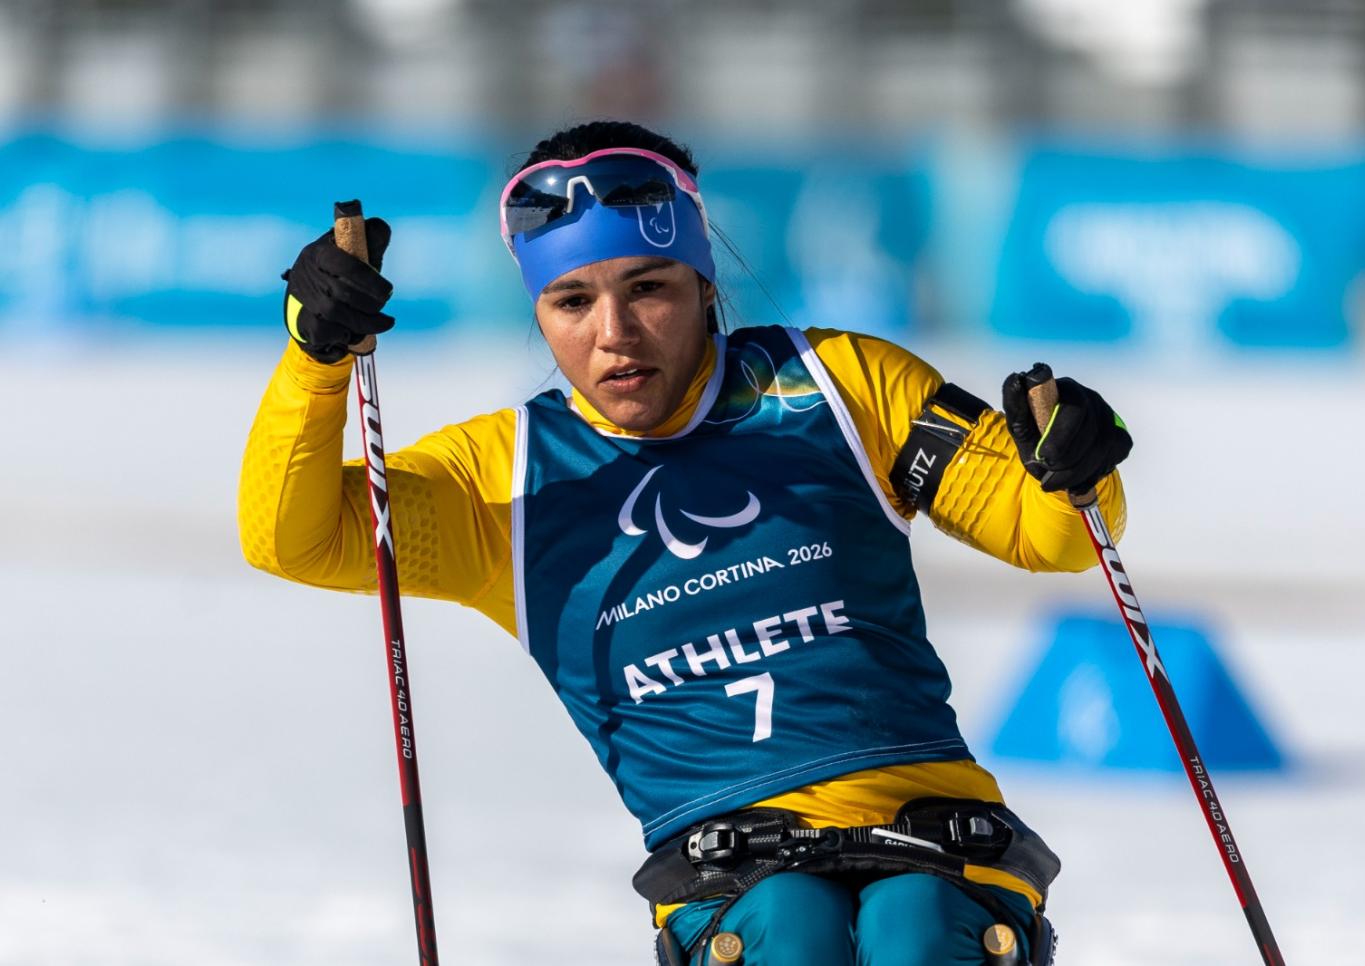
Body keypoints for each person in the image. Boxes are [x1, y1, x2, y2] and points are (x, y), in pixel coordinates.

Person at [239, 120, 1131, 966]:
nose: (614, 334)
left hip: (939, 843)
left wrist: (1079, 463)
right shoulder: (504, 480)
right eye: (572, 301)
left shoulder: (837, 385)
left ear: (705, 283)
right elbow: (294, 537)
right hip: (735, 875)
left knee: (915, 926)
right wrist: (314, 360)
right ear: (539, 312)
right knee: (792, 926)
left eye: (648, 289)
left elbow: (1048, 531)